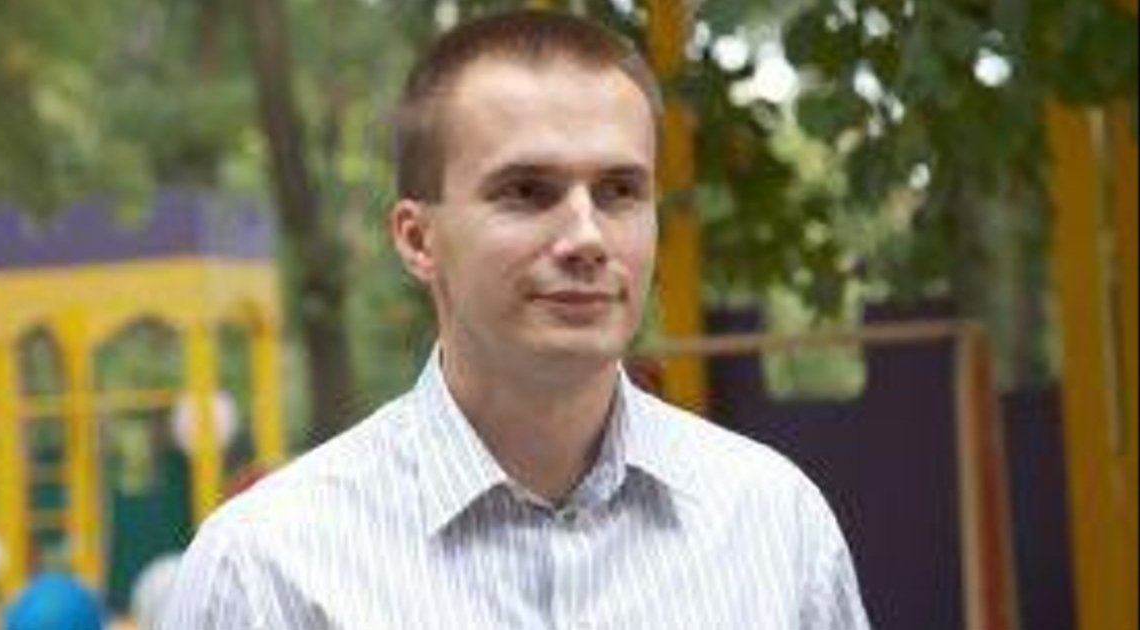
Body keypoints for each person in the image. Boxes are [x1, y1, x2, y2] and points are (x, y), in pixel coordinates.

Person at [160, 9, 869, 629]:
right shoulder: (268, 568)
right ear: (418, 239)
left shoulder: (773, 525)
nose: (586, 236)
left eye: (620, 191)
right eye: (527, 191)